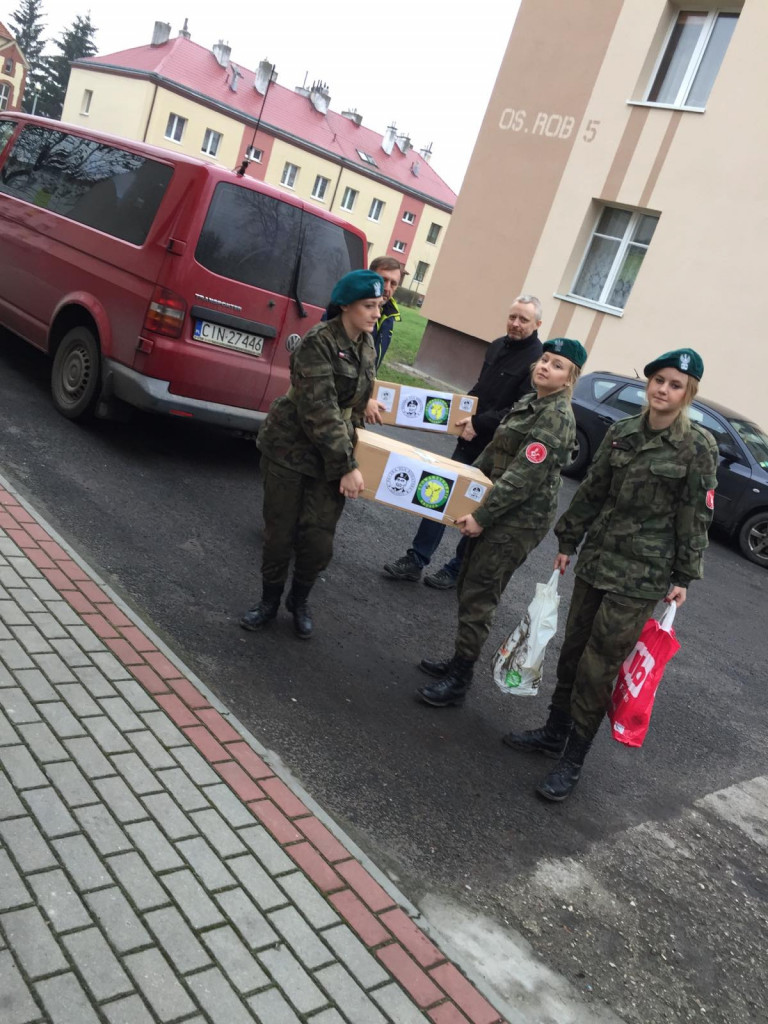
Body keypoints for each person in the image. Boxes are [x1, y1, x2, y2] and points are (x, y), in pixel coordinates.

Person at [504, 348, 719, 803]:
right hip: (596, 562)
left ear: (688, 393)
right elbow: (593, 490)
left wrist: (684, 575)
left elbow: (695, 515)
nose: (663, 389)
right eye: (659, 380)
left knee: (598, 667)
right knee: (573, 652)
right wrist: (568, 541)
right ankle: (553, 731)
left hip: (641, 576)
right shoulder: (622, 432)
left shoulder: (698, 447)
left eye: (675, 384)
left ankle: (574, 758)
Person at [416, 338, 588, 707]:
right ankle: (459, 659)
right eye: (544, 360)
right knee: (468, 582)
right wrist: (461, 489)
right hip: (499, 507)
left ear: (569, 378)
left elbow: (524, 476)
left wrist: (481, 515)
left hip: (517, 521)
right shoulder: (531, 402)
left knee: (480, 592)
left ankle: (460, 679)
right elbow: (493, 455)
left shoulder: (556, 417)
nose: (544, 366)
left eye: (557, 365)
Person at [240, 270, 383, 639]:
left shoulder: (367, 343)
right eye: (369, 306)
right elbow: (320, 410)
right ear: (346, 306)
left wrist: (368, 400)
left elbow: (354, 393)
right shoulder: (317, 342)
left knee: (318, 540)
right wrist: (347, 467)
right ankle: (269, 602)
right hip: (291, 449)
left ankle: (298, 600)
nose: (376, 314)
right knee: (279, 536)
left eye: (379, 306)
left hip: (330, 456)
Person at [384, 295, 544, 589]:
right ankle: (416, 559)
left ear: (537, 324)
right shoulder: (497, 345)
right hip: (470, 438)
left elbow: (521, 410)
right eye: (513, 317)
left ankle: (457, 569)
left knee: (477, 505)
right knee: (439, 494)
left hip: (499, 449)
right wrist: (461, 415)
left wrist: (478, 423)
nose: (516, 324)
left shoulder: (537, 361)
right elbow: (480, 389)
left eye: (523, 320)